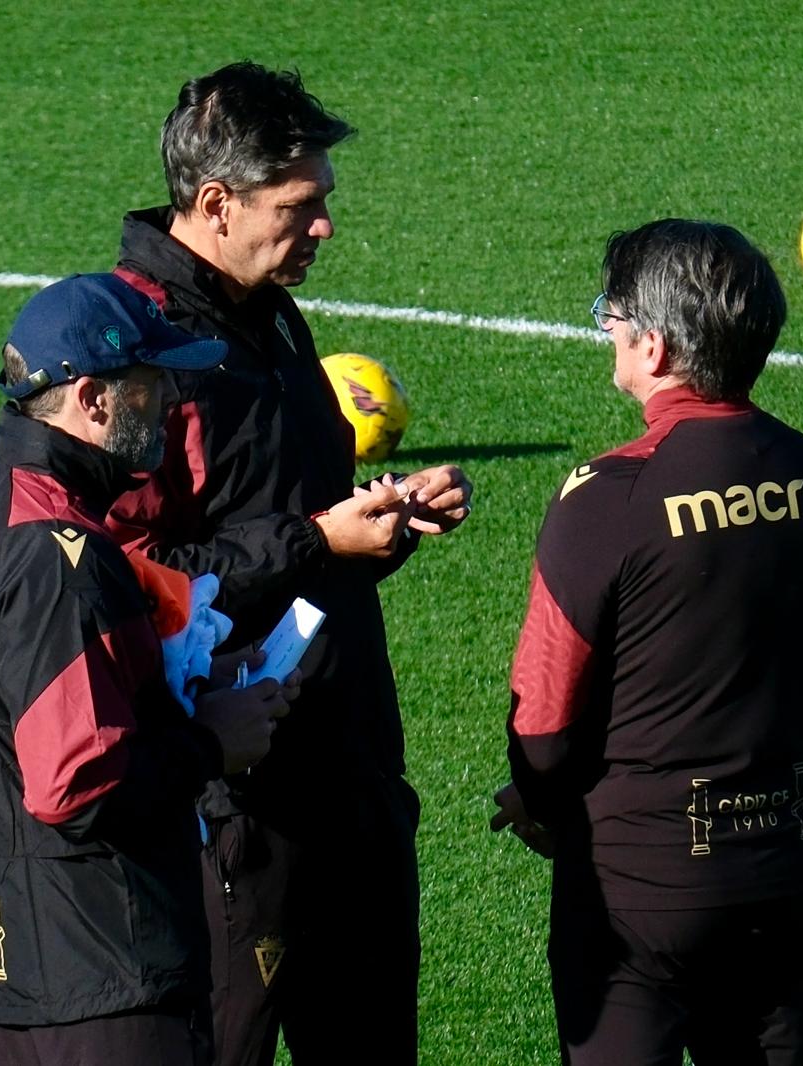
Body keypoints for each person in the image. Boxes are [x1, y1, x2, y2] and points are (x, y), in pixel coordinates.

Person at [104, 62, 472, 1066]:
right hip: (235, 803)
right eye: (300, 206)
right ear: (216, 204)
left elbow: (289, 528)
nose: (324, 229)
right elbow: (129, 576)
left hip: (344, 764)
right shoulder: (139, 354)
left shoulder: (270, 315)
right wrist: (318, 536)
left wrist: (384, 523)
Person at [490, 220, 803, 1066]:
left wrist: (537, 801)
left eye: (611, 314)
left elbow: (544, 724)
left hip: (641, 884)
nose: (607, 330)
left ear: (654, 348)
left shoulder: (608, 495)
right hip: (784, 859)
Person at [0, 272, 298, 1066]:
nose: (166, 408)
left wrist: (187, 678)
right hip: (98, 978)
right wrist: (211, 742)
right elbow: (73, 779)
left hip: (5, 964)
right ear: (92, 400)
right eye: (150, 387)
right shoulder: (60, 553)